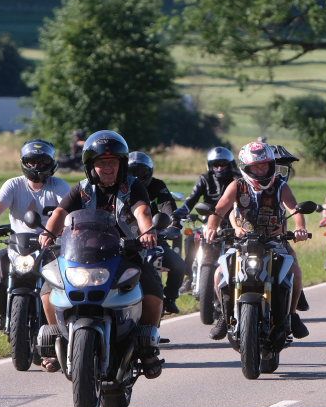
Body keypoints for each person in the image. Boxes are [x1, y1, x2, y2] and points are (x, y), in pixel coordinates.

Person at [40, 130, 164, 378]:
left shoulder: (133, 186)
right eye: (101, 163)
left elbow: (141, 211)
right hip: (82, 254)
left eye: (112, 162)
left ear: (122, 164)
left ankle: (147, 347)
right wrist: (48, 233)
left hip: (125, 252)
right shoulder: (81, 189)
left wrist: (147, 232)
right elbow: (60, 213)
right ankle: (55, 341)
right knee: (47, 291)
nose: (107, 168)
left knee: (152, 291)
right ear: (91, 166)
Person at [203, 141, 312, 340]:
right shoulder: (237, 185)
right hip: (242, 243)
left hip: (274, 240)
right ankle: (224, 316)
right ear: (246, 168)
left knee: (294, 271)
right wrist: (211, 227)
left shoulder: (280, 185)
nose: (261, 170)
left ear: (271, 165)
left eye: (265, 165)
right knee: (219, 273)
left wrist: (300, 228)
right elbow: (219, 209)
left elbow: (295, 209)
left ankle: (292, 315)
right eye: (256, 167)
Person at [0, 141, 71, 365]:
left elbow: (70, 212)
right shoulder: (13, 185)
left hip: (50, 246)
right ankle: (3, 315)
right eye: (31, 162)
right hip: (18, 245)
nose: (36, 166)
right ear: (23, 163)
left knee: (60, 282)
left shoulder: (59, 186)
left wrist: (67, 227)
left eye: (42, 162)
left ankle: (60, 328)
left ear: (51, 164)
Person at [128, 151, 187, 314]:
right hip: (124, 240)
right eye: (131, 172)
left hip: (154, 238)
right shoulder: (119, 187)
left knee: (178, 265)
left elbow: (168, 206)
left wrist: (173, 224)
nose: (136, 176)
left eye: (141, 172)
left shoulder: (157, 186)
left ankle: (169, 298)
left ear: (149, 172)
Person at [182, 146, 238, 283]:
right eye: (216, 165)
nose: (219, 168)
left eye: (223, 164)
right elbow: (191, 200)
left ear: (230, 165)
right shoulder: (205, 179)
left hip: (233, 221)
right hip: (207, 220)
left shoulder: (237, 180)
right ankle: (189, 277)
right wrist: (181, 211)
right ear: (210, 165)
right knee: (190, 238)